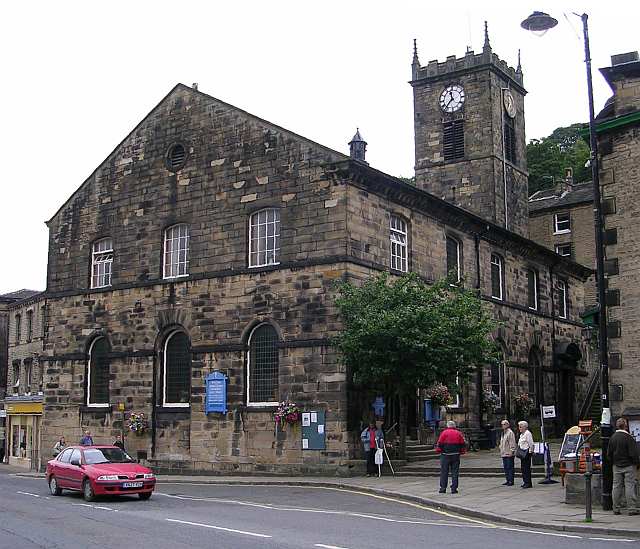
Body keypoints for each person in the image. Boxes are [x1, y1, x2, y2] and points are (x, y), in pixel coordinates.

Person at [608, 417, 639, 516]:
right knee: (630, 486)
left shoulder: (613, 438)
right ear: (625, 426)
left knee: (616, 487)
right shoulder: (629, 438)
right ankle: (632, 508)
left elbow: (609, 454)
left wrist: (613, 462)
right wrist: (637, 463)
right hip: (629, 465)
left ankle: (616, 508)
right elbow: (633, 454)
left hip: (616, 465)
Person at [435, 420, 466, 494]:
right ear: (454, 426)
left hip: (445, 455)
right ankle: (454, 489)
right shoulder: (458, 433)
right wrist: (461, 452)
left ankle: (443, 488)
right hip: (455, 455)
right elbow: (462, 444)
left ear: (447, 426)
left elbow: (440, 443)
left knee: (444, 472)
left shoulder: (444, 433)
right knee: (455, 472)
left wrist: (439, 450)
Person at [516, 420, 534, 489]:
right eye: (519, 427)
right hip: (522, 453)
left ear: (525, 427)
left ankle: (528, 483)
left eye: (520, 427)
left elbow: (531, 443)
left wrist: (530, 451)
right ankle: (525, 481)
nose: (519, 428)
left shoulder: (527, 433)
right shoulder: (521, 434)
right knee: (523, 468)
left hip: (527, 453)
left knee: (526, 468)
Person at [499, 419, 516, 486]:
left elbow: (512, 442)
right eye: (502, 424)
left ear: (508, 425)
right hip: (503, 453)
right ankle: (507, 480)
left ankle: (511, 480)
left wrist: (512, 451)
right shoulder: (503, 433)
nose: (503, 426)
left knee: (510, 467)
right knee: (505, 467)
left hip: (509, 452)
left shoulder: (510, 432)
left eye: (504, 424)